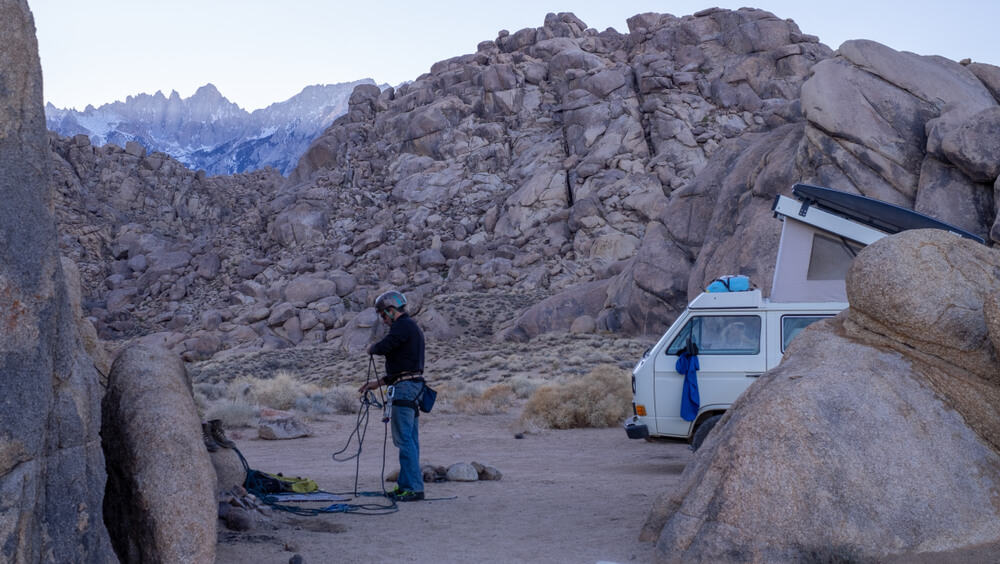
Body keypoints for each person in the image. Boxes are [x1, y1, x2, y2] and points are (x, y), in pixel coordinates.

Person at [358, 290, 426, 502]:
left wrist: (371, 348)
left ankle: (413, 488)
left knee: (404, 440)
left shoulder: (402, 326)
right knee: (410, 440)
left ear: (390, 310)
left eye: (382, 315)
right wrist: (375, 384)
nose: (383, 320)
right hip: (411, 386)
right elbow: (401, 368)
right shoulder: (409, 327)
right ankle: (407, 485)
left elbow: (384, 347)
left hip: (405, 389)